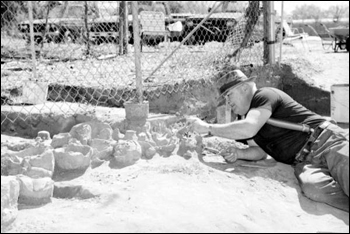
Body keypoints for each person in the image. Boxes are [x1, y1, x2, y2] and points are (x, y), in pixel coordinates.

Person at [187, 69, 349, 212]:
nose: (228, 103)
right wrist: (239, 153)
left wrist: (208, 128)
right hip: (305, 162)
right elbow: (259, 152)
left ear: (244, 88)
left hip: (327, 142)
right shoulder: (248, 116)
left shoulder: (264, 95)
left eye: (229, 95)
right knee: (313, 189)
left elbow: (249, 128)